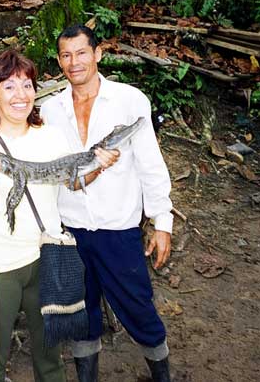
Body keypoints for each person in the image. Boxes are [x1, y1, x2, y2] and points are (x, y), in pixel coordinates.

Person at [0, 49, 118, 382]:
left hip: (45, 260)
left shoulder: (50, 136)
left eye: (27, 86)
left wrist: (98, 167)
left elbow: (72, 181)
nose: (21, 95)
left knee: (50, 360)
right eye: (10, 87)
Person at [40, 25, 175, 382]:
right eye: (66, 55)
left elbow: (150, 163)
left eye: (82, 53)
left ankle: (162, 374)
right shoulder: (50, 110)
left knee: (137, 305)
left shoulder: (129, 101)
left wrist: (162, 222)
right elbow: (52, 170)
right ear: (59, 61)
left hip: (118, 228)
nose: (74, 62)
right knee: (80, 311)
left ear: (98, 54)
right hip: (69, 229)